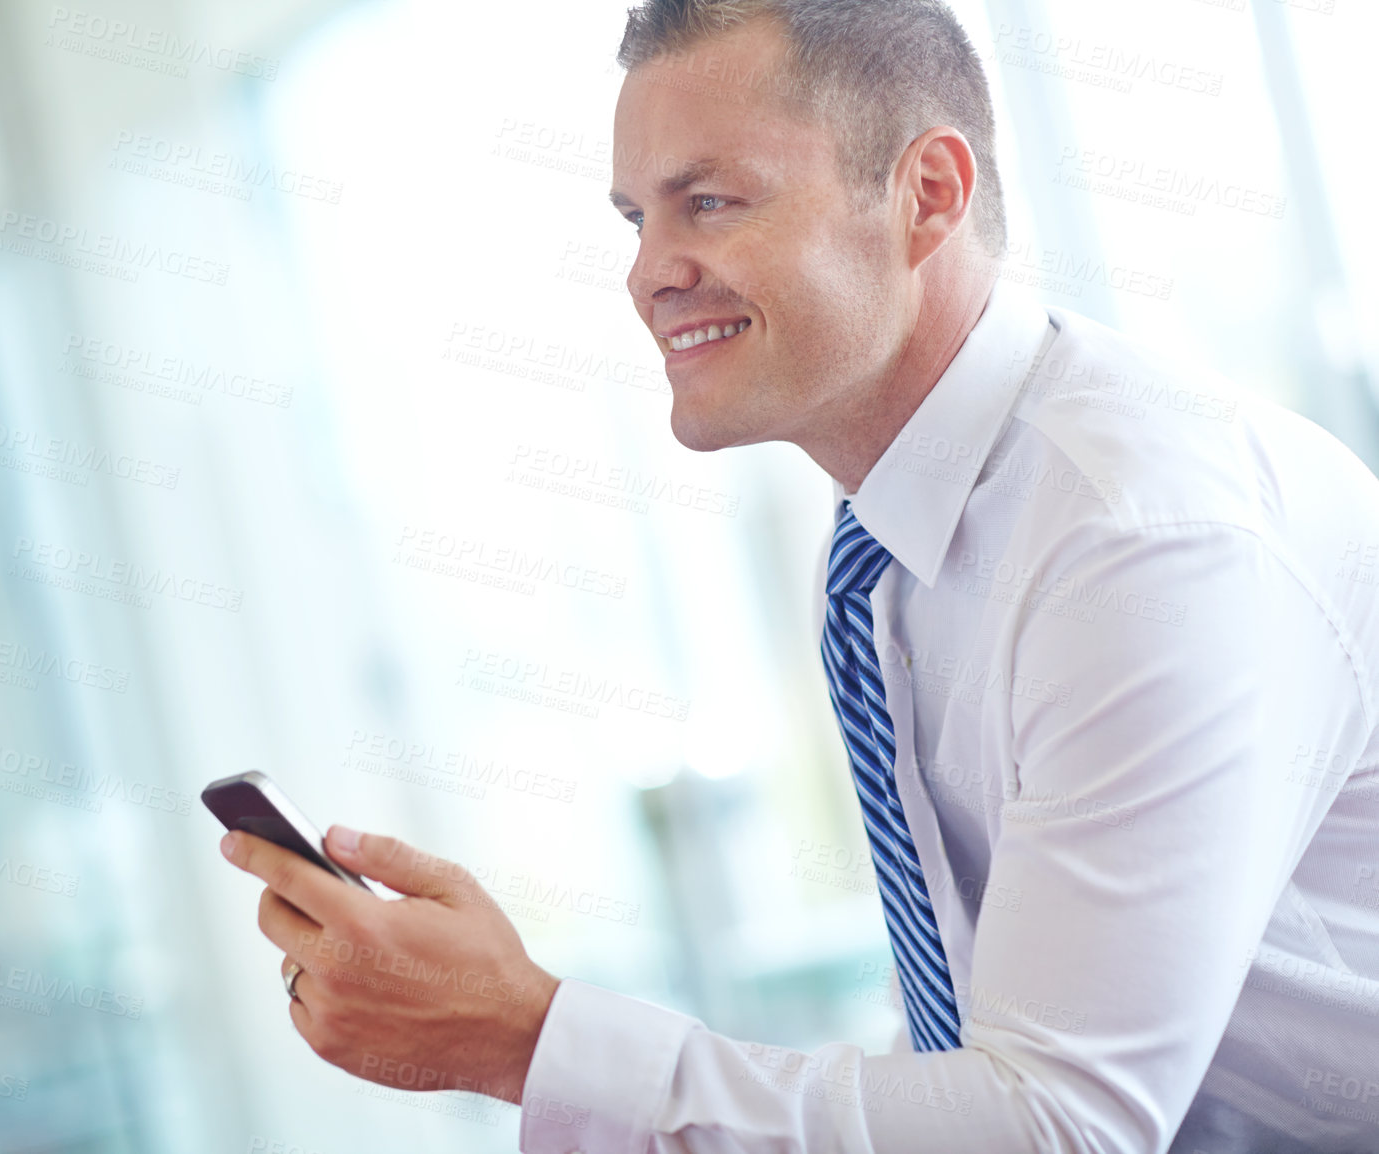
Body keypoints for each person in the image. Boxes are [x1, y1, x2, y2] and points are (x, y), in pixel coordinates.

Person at [219, 1, 1379, 1150]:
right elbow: (983, 1055)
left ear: (926, 194)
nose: (648, 275)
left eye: (710, 202)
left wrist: (529, 1041)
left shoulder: (1136, 538)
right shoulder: (895, 536)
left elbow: (1055, 1125)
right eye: (636, 218)